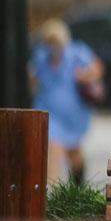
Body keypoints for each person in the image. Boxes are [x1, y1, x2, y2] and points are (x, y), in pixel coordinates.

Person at [30, 18, 104, 184]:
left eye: (56, 41)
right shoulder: (41, 56)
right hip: (49, 112)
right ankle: (53, 193)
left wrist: (84, 76)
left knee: (74, 153)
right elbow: (34, 79)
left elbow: (97, 69)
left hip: (74, 114)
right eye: (50, 42)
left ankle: (78, 185)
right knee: (53, 149)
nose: (53, 46)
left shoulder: (76, 52)